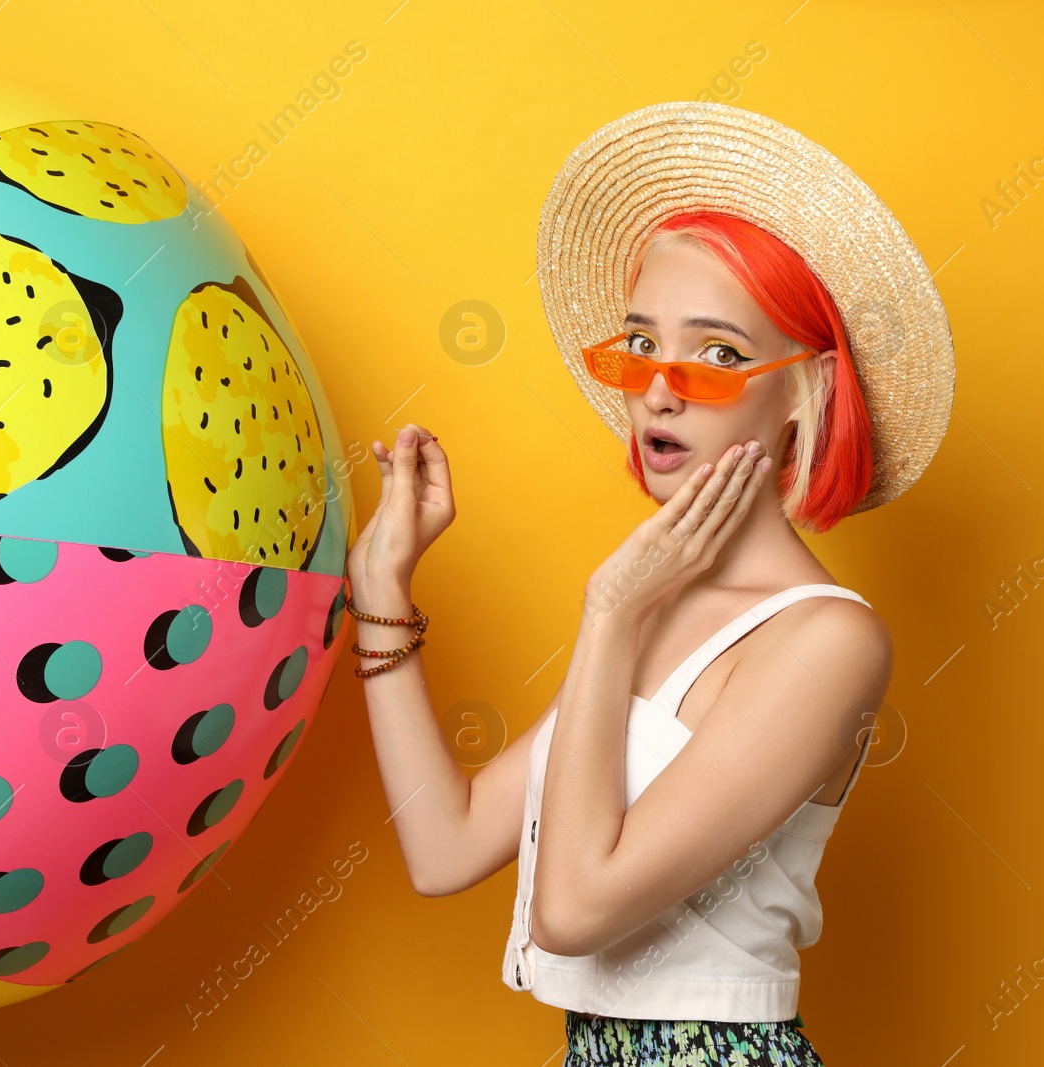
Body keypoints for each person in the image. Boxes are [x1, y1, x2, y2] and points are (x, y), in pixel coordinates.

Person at [345, 101, 956, 1066]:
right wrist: (380, 583)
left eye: (718, 354)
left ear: (807, 391)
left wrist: (610, 613)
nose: (661, 388)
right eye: (641, 345)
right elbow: (446, 848)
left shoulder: (828, 642)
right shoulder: (655, 601)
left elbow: (576, 908)